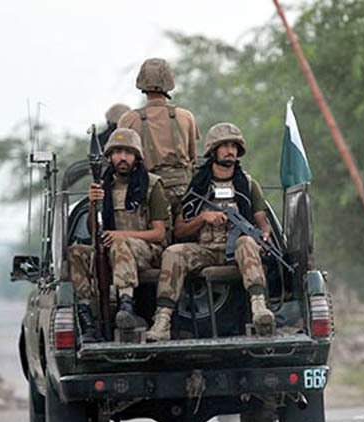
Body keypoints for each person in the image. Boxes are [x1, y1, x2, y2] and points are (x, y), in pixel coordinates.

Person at [145, 122, 275, 342]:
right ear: (213, 151)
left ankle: (259, 308)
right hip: (205, 250)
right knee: (173, 253)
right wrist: (203, 218)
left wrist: (263, 236)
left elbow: (262, 221)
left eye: (234, 146)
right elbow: (180, 229)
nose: (230, 151)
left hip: (237, 252)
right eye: (224, 146)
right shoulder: (197, 186)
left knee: (247, 242)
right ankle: (162, 321)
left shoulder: (248, 184)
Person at [68, 128, 170, 343]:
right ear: (109, 157)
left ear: (136, 156)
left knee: (119, 242)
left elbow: (159, 234)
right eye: (117, 152)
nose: (122, 158)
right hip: (112, 249)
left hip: (146, 252)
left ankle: (126, 304)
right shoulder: (103, 185)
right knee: (76, 251)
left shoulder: (151, 185)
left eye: (128, 152)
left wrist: (120, 235)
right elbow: (95, 232)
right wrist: (94, 203)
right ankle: (87, 315)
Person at [118, 58, 201, 214]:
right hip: (183, 192)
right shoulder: (186, 117)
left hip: (146, 191)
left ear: (141, 83)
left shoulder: (128, 119)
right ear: (169, 82)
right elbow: (193, 159)